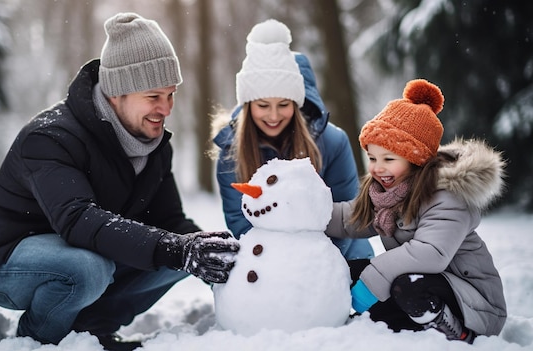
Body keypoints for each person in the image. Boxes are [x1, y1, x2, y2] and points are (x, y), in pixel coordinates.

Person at [0, 12, 239, 351]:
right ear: (116, 92)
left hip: (83, 251)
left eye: (171, 94)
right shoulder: (51, 137)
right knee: (88, 268)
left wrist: (212, 255)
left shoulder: (152, 147)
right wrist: (175, 249)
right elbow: (77, 219)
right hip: (6, 260)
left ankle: (90, 333)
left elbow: (169, 221)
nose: (165, 108)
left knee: (180, 250)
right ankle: (38, 340)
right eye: (153, 96)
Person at [325, 79, 507, 343]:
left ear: (415, 160)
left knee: (409, 285)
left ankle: (459, 334)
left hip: (474, 303)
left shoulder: (447, 196)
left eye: (389, 159)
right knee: (348, 272)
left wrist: (374, 276)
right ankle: (401, 325)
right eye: (373, 158)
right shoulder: (388, 194)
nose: (377, 168)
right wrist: (307, 211)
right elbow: (349, 219)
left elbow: (430, 253)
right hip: (420, 285)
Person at [211, 19, 373, 260]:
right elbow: (240, 223)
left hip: (340, 256)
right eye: (263, 105)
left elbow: (348, 217)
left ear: (297, 105)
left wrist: (315, 264)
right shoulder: (231, 152)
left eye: (284, 104)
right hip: (269, 262)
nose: (274, 115)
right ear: (247, 105)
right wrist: (281, 266)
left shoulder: (332, 142)